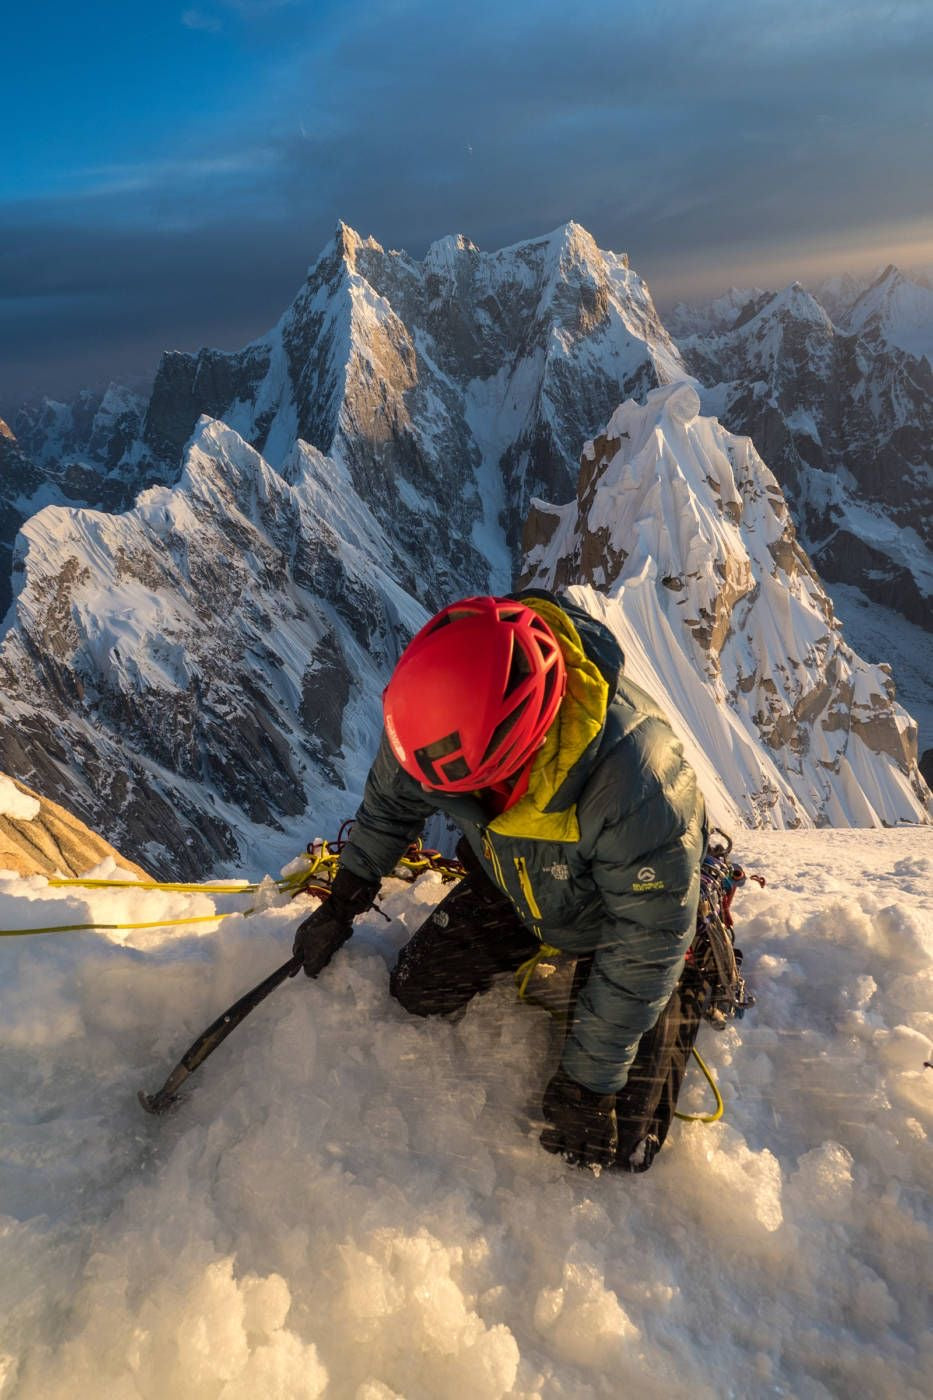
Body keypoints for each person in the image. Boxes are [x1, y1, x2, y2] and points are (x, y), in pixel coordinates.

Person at [292, 591, 708, 1171]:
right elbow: (392, 799)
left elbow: (647, 938)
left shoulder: (640, 783)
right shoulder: (438, 712)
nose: (453, 804)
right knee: (417, 992)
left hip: (614, 921)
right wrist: (345, 898)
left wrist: (590, 1081)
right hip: (512, 885)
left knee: (620, 1144)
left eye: (473, 794)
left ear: (527, 745)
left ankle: (691, 972)